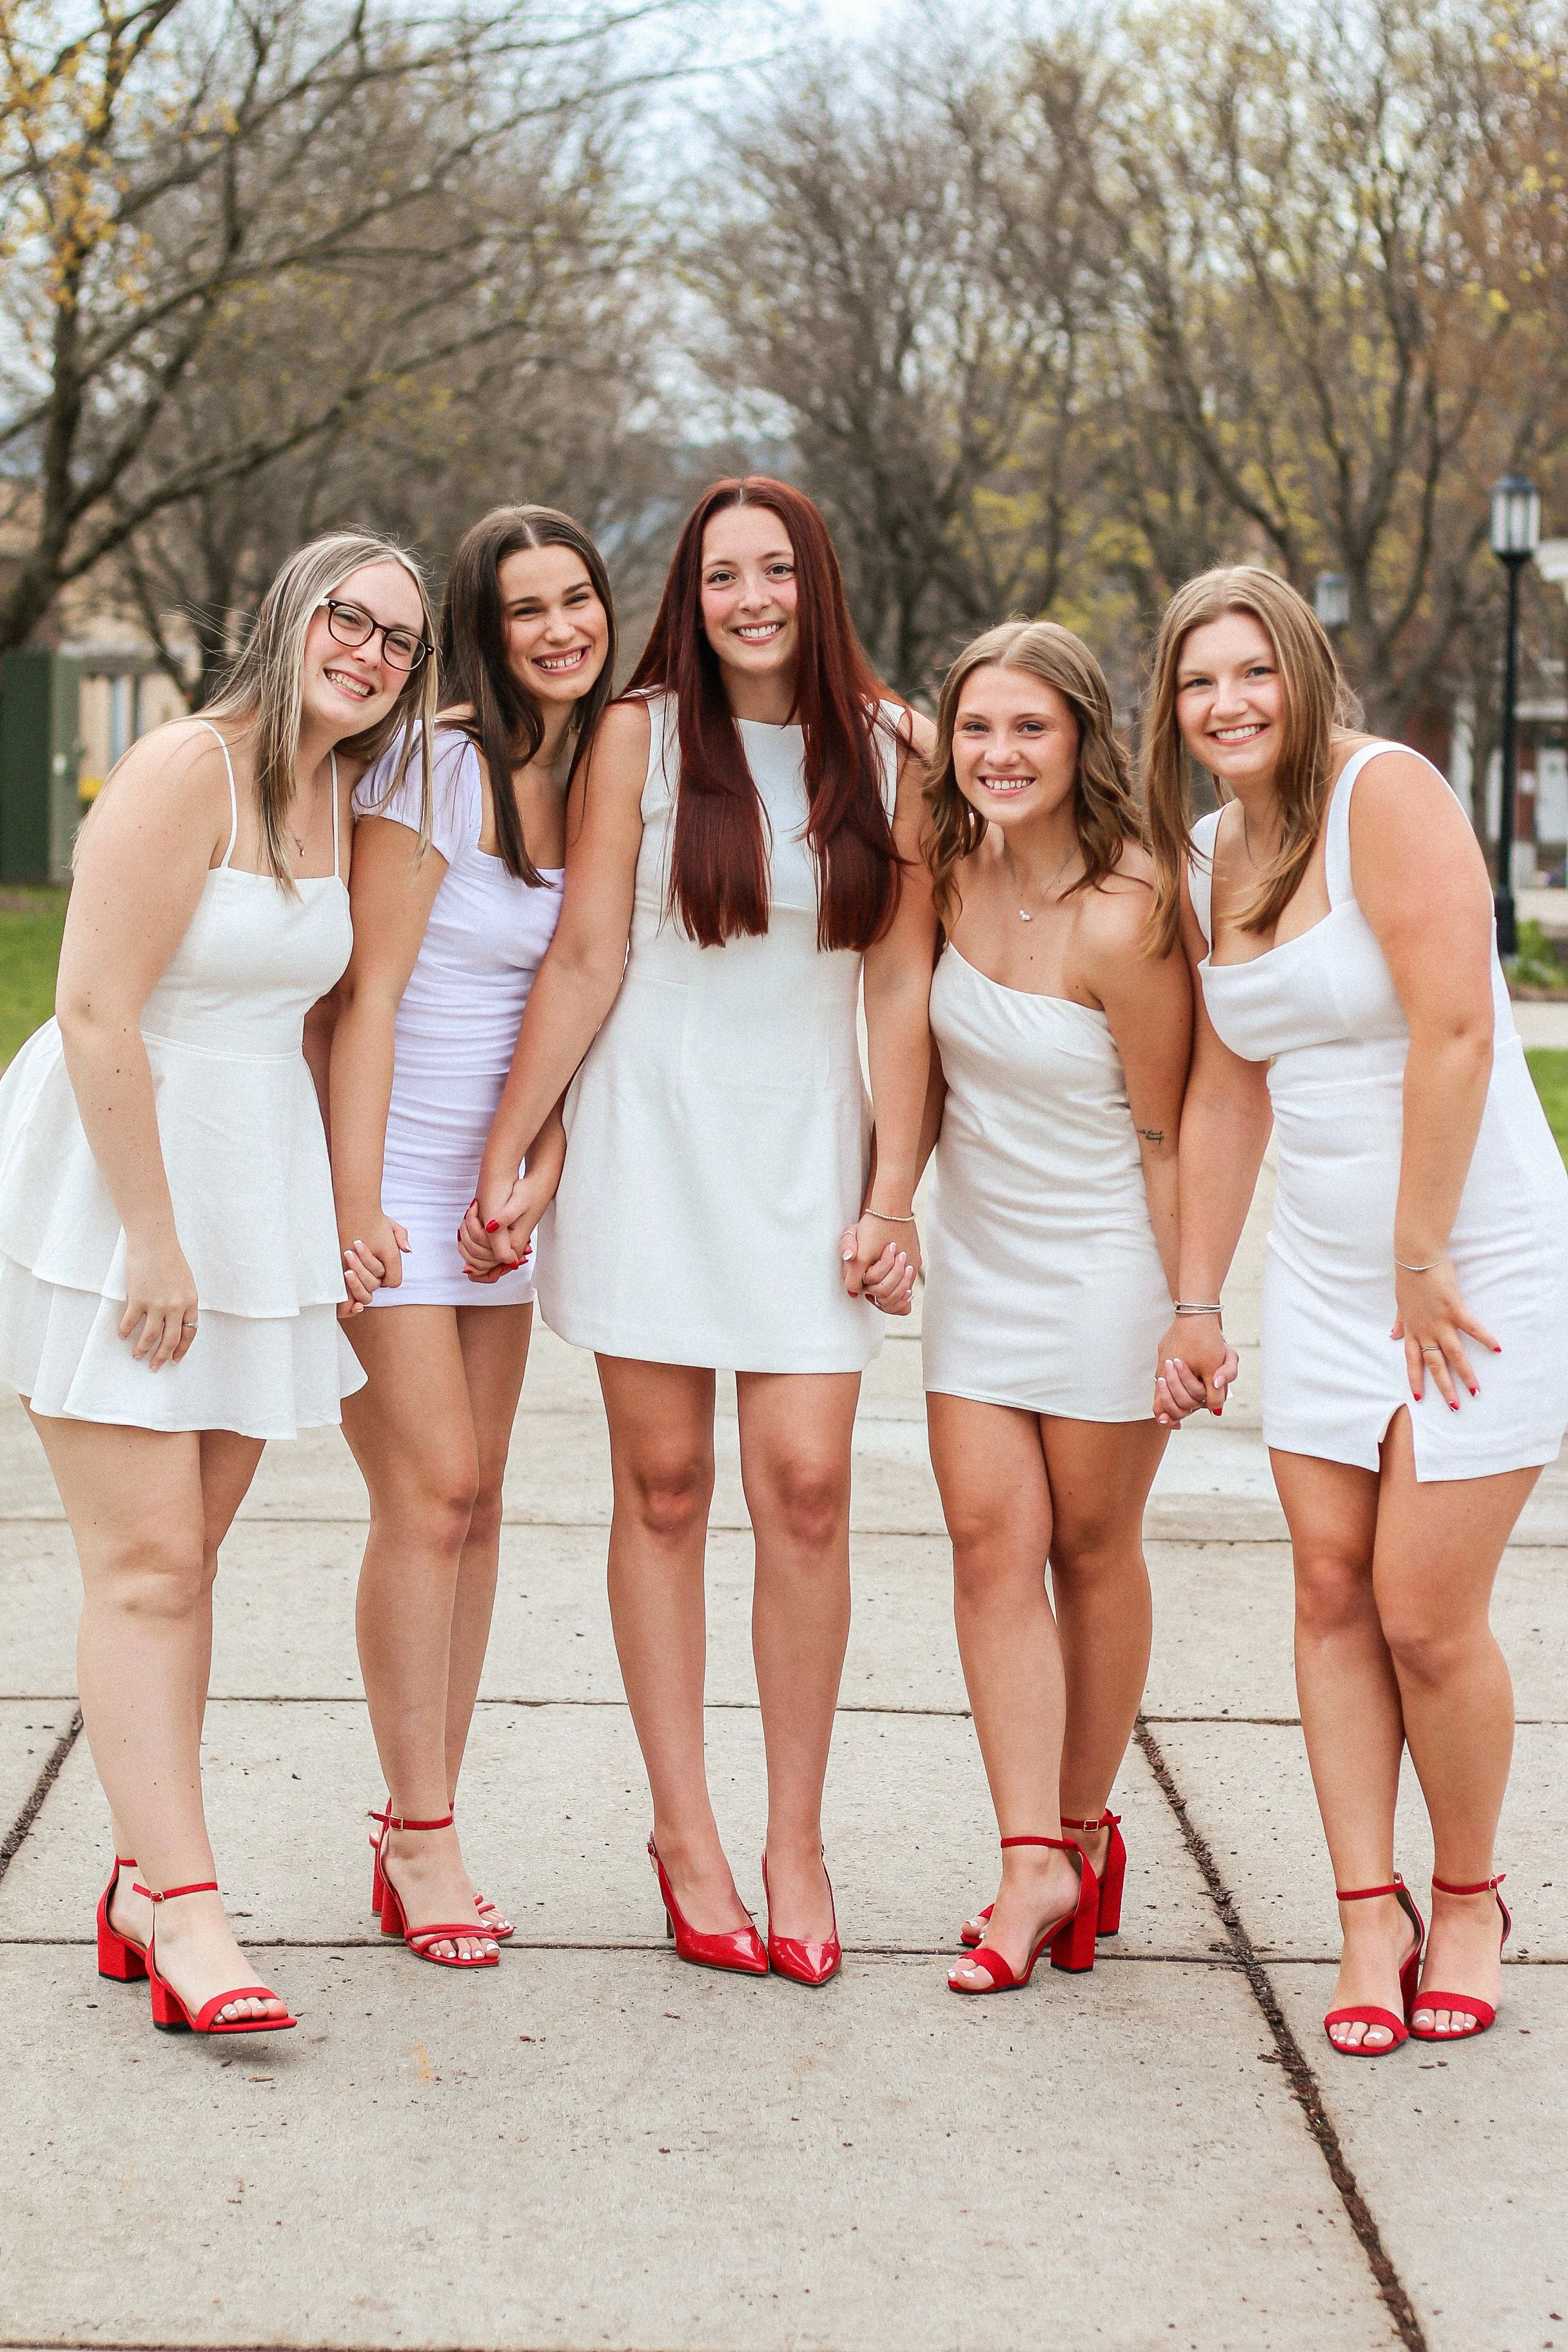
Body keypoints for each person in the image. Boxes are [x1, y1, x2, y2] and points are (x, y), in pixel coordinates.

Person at [461, 476, 933, 1983]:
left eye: (775, 569)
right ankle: (687, 1835)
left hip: (808, 1158)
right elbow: (590, 956)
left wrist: (889, 1191)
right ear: (692, 591)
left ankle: (797, 1840)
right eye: (721, 573)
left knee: (803, 1490)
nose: (749, 598)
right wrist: (516, 1141)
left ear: (817, 580)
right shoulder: (639, 734)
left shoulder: (896, 748)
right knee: (662, 1488)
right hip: (651, 1147)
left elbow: (900, 988)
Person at [0, 533, 435, 2035]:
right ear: (286, 613)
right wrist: (155, 1235)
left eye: (398, 640)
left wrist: (337, 1215)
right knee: (147, 1568)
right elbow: (95, 1006)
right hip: (129, 1188)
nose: (369, 653)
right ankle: (189, 1918)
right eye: (348, 617)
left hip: (260, 1189)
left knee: (188, 1564)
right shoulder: (195, 763)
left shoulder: (341, 788)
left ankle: (141, 1882)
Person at [1144, 565, 1568, 2054]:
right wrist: (1196, 1296)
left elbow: (1457, 1029)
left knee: (1423, 1612)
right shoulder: (1206, 851)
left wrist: (1418, 1253)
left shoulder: (1383, 792)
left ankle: (1468, 1897)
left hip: (1471, 1252)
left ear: (1303, 670)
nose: (1227, 705)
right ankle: (1363, 1917)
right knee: (1327, 1589)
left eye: (1251, 672)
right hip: (1328, 1269)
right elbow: (1223, 1088)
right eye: (1198, 683)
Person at [878, 621, 1190, 1994]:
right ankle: (1027, 1864)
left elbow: (1174, 1135)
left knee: (1088, 1546)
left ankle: (1080, 1831)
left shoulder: (1131, 914)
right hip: (984, 1261)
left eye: (1032, 730)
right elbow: (924, 1062)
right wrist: (891, 1203)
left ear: (1082, 742)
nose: (1001, 755)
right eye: (979, 729)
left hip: (1108, 1266)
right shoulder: (946, 868)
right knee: (985, 1544)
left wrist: (1191, 1308)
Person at [328, 506, 613, 1969]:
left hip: (494, 1192)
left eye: (577, 599)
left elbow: (582, 1000)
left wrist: (539, 1161)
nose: (561, 629)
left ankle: (421, 1818)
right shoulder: (436, 769)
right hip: (385, 1180)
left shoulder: (603, 767)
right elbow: (364, 999)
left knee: (479, 1500)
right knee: (429, 1490)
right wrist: (351, 1203)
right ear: (483, 634)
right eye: (525, 612)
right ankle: (419, 1835)